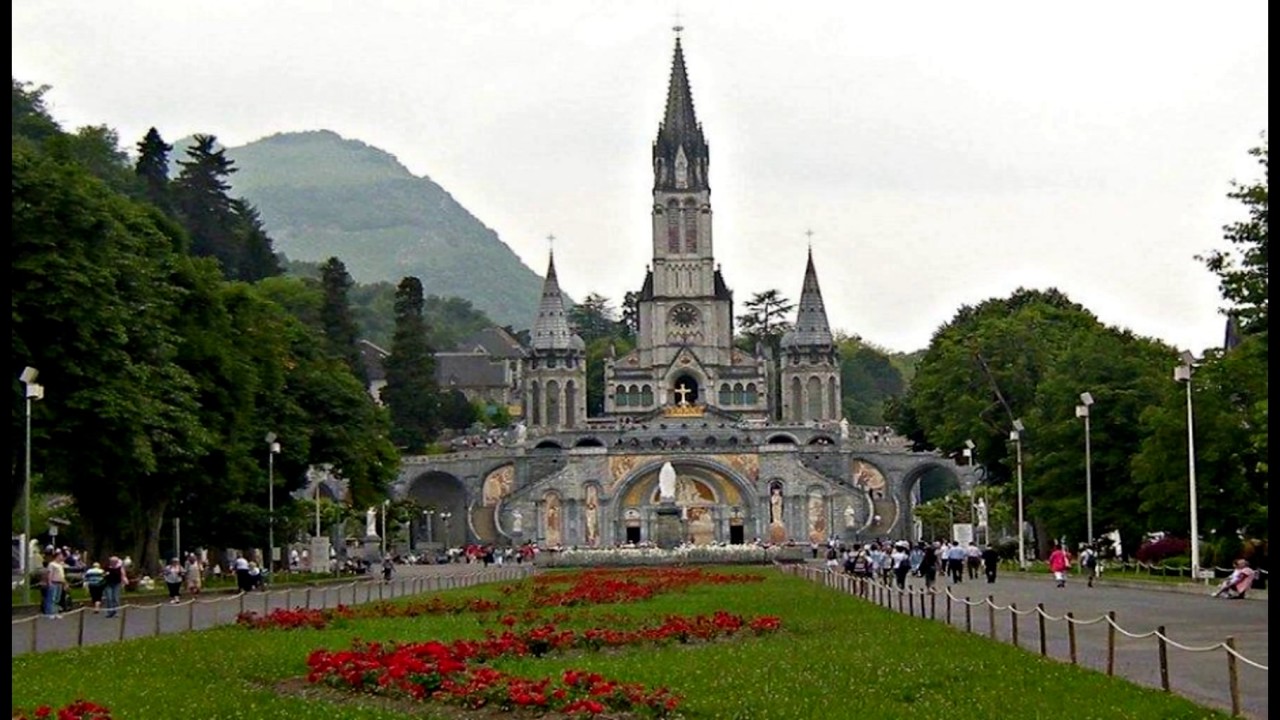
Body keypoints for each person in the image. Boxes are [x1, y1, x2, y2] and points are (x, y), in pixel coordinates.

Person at [43, 550, 67, 618]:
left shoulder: (60, 565)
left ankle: (56, 612)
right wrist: (49, 582)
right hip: (54, 582)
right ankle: (49, 613)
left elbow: (62, 575)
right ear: (57, 556)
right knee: (51, 598)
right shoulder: (52, 564)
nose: (62, 557)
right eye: (61, 556)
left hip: (60, 583)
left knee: (57, 598)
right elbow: (50, 573)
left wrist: (64, 583)